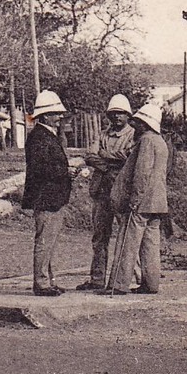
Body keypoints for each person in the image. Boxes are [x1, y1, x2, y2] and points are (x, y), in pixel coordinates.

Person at [106, 102, 170, 296]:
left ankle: (119, 284)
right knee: (151, 244)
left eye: (139, 122)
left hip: (142, 202)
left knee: (128, 242)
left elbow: (141, 174)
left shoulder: (146, 141)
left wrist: (135, 199)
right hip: (158, 201)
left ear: (146, 124)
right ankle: (151, 283)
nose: (135, 125)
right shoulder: (161, 142)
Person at [77, 95, 135, 291]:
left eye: (121, 113)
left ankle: (128, 278)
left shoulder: (133, 136)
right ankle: (97, 278)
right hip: (101, 191)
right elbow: (90, 156)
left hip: (121, 192)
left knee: (127, 235)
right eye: (114, 113)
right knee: (100, 236)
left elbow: (128, 157)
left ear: (128, 115)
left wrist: (104, 156)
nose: (117, 117)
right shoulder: (102, 135)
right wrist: (110, 165)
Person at [21, 90, 73, 296]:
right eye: (55, 113)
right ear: (44, 116)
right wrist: (67, 172)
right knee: (44, 241)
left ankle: (48, 280)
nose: (60, 117)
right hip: (46, 197)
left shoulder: (44, 135)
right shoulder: (39, 137)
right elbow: (41, 168)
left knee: (49, 241)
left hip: (53, 197)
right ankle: (41, 283)